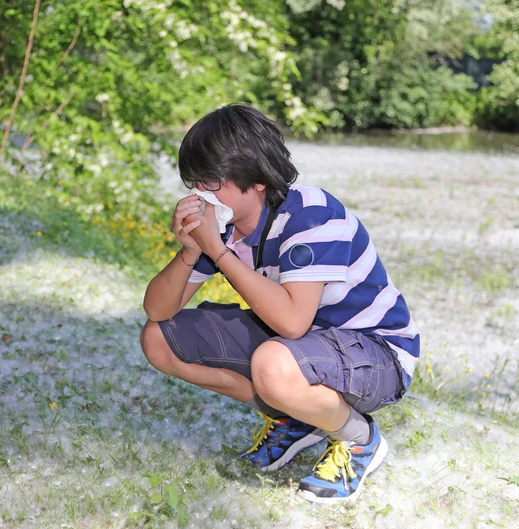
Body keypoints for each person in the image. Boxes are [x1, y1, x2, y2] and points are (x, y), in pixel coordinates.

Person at [141, 103, 420, 504]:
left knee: (274, 363)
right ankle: (294, 416)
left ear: (255, 179)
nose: (201, 193)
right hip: (298, 347)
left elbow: (292, 322)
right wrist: (189, 251)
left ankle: (360, 440)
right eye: (195, 182)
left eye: (212, 181)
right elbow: (157, 311)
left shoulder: (312, 215)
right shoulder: (223, 228)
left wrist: (219, 253)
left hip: (376, 353)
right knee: (158, 339)